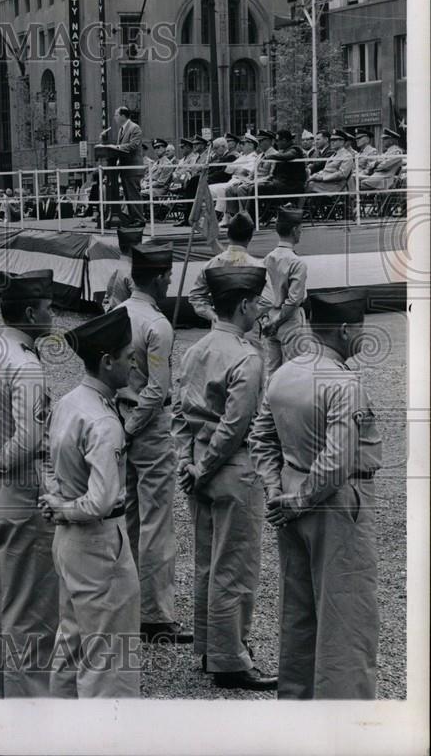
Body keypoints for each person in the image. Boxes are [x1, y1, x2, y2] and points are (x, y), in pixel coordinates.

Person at [249, 290, 383, 699]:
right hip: (335, 503)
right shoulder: (343, 383)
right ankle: (344, 721)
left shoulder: (285, 373)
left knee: (299, 611)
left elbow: (262, 437)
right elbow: (339, 459)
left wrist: (277, 490)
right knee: (347, 616)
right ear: (345, 330)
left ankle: (297, 704)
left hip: (291, 493)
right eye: (359, 327)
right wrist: (303, 498)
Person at [174, 266, 277, 691]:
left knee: (206, 563)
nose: (258, 309)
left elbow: (180, 416)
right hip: (232, 470)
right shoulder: (247, 356)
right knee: (234, 566)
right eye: (256, 302)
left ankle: (209, 647)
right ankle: (230, 658)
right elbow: (236, 426)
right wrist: (206, 464)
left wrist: (187, 463)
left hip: (199, 468)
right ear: (244, 304)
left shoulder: (195, 349)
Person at [0, 269, 60, 697]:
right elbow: (30, 436)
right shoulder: (25, 363)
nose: (52, 314)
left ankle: (0, 691)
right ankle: (28, 705)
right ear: (29, 312)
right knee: (31, 608)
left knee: (0, 598)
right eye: (47, 307)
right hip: (19, 490)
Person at [40, 307, 141, 698]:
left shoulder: (68, 403)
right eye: (127, 357)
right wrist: (65, 508)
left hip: (68, 541)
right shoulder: (103, 422)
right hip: (99, 541)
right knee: (108, 658)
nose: (133, 365)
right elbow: (100, 501)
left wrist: (55, 499)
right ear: (106, 361)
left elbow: (45, 457)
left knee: (71, 642)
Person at [118, 243, 191, 644]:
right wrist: (133, 427)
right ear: (162, 277)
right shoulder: (157, 325)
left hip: (120, 421)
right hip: (147, 427)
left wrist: (120, 426)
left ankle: (127, 603)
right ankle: (156, 615)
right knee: (156, 523)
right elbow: (157, 388)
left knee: (128, 517)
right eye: (167, 275)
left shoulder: (116, 314)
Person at [188, 213, 263, 325]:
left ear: (228, 234)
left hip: (220, 325)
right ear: (250, 237)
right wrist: (250, 315)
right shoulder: (258, 267)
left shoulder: (210, 265)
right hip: (248, 328)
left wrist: (212, 315)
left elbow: (196, 296)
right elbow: (268, 301)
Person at [259, 206, 309, 376]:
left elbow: (262, 293)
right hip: (289, 320)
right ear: (295, 230)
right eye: (300, 229)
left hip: (270, 316)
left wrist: (268, 321)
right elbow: (294, 300)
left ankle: (269, 402)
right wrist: (278, 322)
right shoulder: (296, 262)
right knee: (296, 370)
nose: (301, 233)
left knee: (273, 370)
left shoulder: (268, 258)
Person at [106, 106, 145, 226]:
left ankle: (139, 219)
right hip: (125, 168)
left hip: (133, 168)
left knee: (134, 194)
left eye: (116, 115)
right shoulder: (121, 130)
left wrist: (117, 147)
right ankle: (133, 219)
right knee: (128, 195)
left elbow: (133, 145)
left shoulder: (134, 128)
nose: (115, 118)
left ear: (123, 116)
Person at [102, 226, 143, 312]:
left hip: (113, 311)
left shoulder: (118, 265)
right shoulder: (131, 271)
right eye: (140, 246)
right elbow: (140, 302)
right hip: (125, 315)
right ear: (133, 248)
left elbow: (107, 299)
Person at [306, 129, 355, 195]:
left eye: (335, 140)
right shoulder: (333, 155)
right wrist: (316, 175)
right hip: (327, 183)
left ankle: (297, 205)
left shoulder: (347, 156)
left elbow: (342, 174)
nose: (332, 142)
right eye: (331, 140)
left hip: (335, 185)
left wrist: (322, 178)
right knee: (304, 183)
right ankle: (295, 204)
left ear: (342, 142)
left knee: (310, 185)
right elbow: (326, 170)